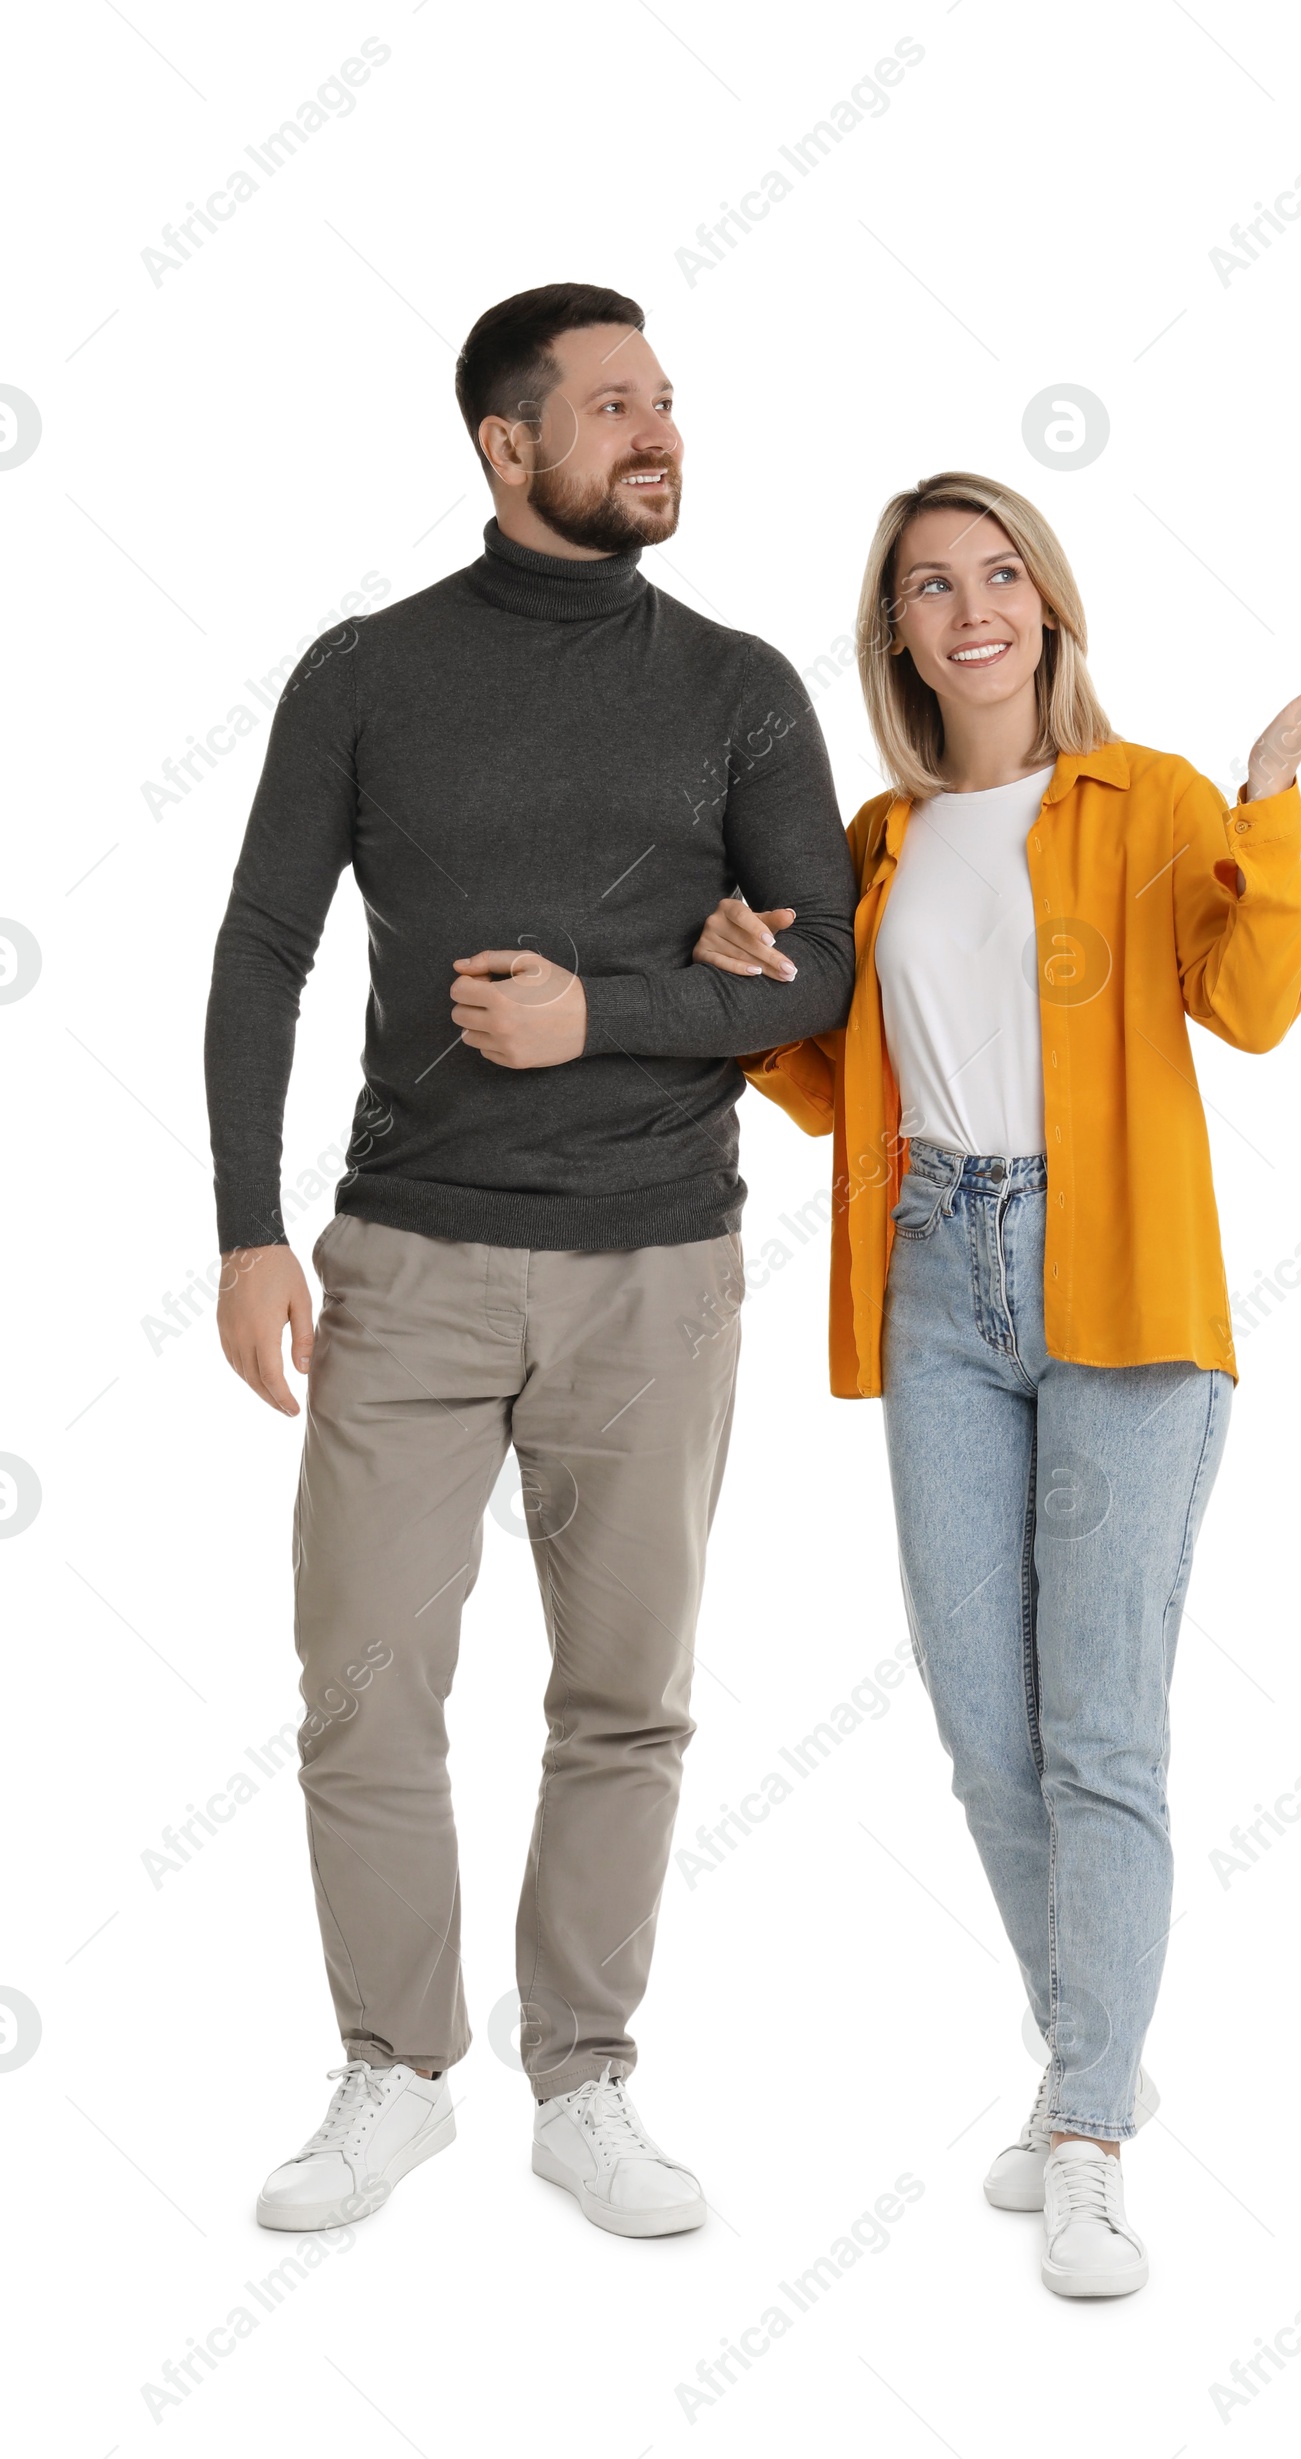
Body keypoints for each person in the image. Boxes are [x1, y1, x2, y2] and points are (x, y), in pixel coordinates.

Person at [205, 282, 855, 2239]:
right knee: (364, 1686)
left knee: (625, 1697)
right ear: (508, 447)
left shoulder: (738, 684)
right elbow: (260, 949)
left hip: (659, 1274)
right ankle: (393, 2075)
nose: (658, 432)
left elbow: (817, 972)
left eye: (663, 401)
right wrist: (245, 1228)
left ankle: (585, 2082)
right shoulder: (365, 673)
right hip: (406, 1260)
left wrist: (615, 1016)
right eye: (613, 408)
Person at [692, 469, 1301, 2296]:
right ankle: (1098, 2048)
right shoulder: (875, 839)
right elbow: (852, 1088)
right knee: (984, 1734)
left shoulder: (1142, 799)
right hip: (939, 1277)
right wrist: (754, 992)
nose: (972, 608)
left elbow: (1250, 1009)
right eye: (931, 587)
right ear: (898, 634)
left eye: (1001, 574)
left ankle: (1085, 2130)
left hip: (1121, 1285)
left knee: (1103, 1733)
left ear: (1050, 605)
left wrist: (1270, 798)